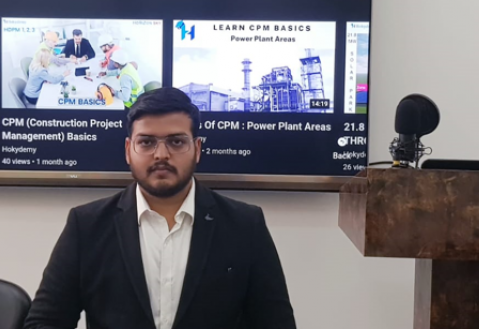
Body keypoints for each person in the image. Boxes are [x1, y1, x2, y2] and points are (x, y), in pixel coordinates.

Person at [23, 88, 296, 329]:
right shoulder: (87, 226)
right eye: (147, 142)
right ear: (128, 150)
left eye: (176, 142)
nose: (161, 155)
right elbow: (44, 321)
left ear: (197, 149)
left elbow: (276, 323)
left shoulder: (245, 225)